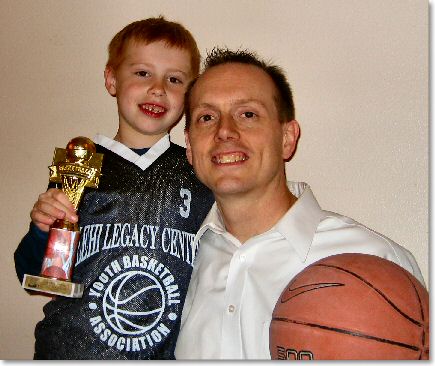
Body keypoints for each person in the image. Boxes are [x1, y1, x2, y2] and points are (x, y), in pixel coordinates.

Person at [174, 48, 425, 360]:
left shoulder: (375, 261)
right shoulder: (178, 264)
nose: (224, 131)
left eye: (248, 114)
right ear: (189, 147)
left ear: (287, 138)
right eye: (206, 117)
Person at [14, 17, 214, 360]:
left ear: (190, 93)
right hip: (68, 351)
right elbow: (31, 273)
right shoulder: (79, 165)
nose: (158, 88)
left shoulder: (201, 171)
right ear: (111, 79)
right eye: (142, 73)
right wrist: (41, 230)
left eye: (175, 79)